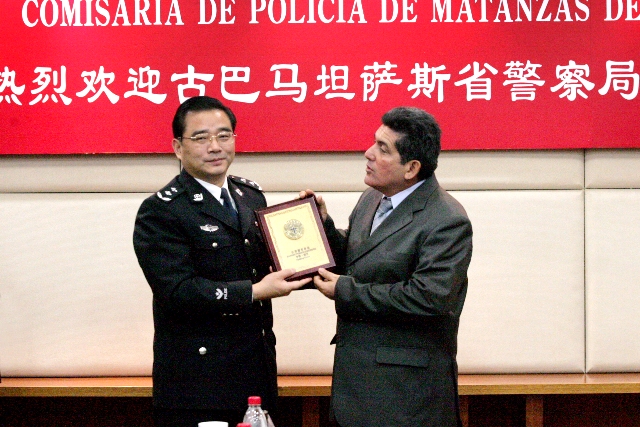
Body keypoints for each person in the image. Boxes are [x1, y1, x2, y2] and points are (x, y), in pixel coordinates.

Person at [134, 96, 311, 427]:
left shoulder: (250, 196)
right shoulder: (161, 210)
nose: (215, 146)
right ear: (178, 147)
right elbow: (177, 291)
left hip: (256, 375)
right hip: (198, 384)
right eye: (201, 138)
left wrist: (313, 234)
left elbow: (270, 263)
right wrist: (254, 291)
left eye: (224, 135)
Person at [302, 106, 473, 427]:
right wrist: (322, 229)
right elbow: (360, 257)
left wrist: (345, 290)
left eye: (383, 148)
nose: (368, 153)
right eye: (374, 142)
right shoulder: (372, 197)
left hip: (405, 397)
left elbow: (429, 298)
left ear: (411, 168)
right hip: (355, 386)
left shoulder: (447, 220)